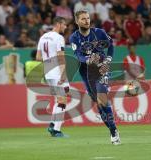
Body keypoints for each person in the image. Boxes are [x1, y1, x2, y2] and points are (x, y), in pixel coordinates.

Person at [69, 10, 121, 145]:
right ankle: (111, 129)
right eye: (83, 19)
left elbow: (110, 47)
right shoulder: (74, 38)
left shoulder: (99, 33)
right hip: (86, 72)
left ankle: (114, 131)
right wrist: (88, 59)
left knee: (102, 99)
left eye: (87, 18)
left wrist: (107, 61)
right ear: (77, 21)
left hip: (102, 68)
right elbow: (78, 56)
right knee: (98, 102)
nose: (86, 21)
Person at [36, 16, 69, 137]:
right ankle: (57, 130)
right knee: (62, 100)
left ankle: (52, 125)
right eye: (64, 24)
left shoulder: (43, 37)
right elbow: (61, 57)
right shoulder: (59, 38)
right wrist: (63, 74)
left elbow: (38, 57)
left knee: (59, 99)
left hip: (48, 72)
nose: (65, 27)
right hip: (57, 72)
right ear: (58, 24)